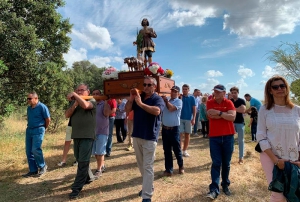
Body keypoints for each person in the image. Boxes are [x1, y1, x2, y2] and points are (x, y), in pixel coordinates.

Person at [257, 75, 300, 202]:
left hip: (294, 159)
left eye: (282, 86)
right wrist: (276, 160)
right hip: (271, 157)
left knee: (294, 192)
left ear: (287, 88)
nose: (279, 89)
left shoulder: (297, 110)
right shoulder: (264, 109)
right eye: (275, 87)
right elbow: (261, 136)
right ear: (270, 90)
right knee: (278, 195)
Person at [125, 76, 165, 202]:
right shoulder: (139, 97)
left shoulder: (157, 99)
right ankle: (149, 186)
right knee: (141, 165)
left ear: (154, 86)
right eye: (144, 84)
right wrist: (131, 100)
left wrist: (140, 104)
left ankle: (146, 196)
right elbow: (127, 110)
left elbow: (157, 111)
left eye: (149, 85)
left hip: (149, 136)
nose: (146, 87)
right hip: (137, 135)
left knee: (148, 166)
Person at [65, 83, 96, 199]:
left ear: (88, 91)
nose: (79, 92)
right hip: (76, 135)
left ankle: (76, 189)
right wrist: (74, 104)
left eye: (81, 90)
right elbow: (67, 115)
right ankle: (89, 177)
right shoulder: (75, 102)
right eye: (77, 90)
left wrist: (75, 96)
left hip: (87, 136)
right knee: (79, 159)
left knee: (82, 163)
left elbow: (86, 106)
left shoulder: (92, 100)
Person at [206, 84, 236, 200]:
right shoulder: (210, 102)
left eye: (218, 92)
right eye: (215, 91)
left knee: (226, 163)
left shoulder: (229, 103)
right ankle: (214, 189)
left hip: (228, 136)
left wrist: (218, 113)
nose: (216, 93)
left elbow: (232, 117)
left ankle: (225, 185)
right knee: (216, 163)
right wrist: (225, 115)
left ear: (224, 93)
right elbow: (210, 115)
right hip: (214, 137)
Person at [22, 92, 50, 177]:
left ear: (36, 98)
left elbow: (48, 119)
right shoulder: (29, 108)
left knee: (35, 149)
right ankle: (33, 170)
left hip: (39, 129)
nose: (28, 100)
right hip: (29, 130)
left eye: (30, 99)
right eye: (27, 99)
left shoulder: (42, 107)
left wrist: (44, 128)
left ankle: (42, 166)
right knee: (28, 150)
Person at [161, 86, 184, 177]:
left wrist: (166, 101)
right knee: (167, 150)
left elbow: (171, 109)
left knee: (176, 149)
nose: (173, 93)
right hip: (165, 128)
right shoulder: (167, 100)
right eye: (172, 91)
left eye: (175, 92)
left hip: (174, 129)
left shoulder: (179, 101)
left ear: (178, 93)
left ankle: (181, 166)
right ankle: (169, 170)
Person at [91, 89, 111, 179]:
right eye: (94, 94)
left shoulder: (104, 104)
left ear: (101, 95)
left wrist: (106, 101)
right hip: (92, 132)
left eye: (97, 94)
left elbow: (107, 113)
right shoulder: (91, 104)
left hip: (102, 131)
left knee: (100, 152)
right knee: (95, 152)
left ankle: (99, 170)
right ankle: (102, 165)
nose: (96, 95)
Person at [230, 87, 246, 164]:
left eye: (235, 92)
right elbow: (227, 110)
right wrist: (237, 109)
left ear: (238, 93)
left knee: (241, 141)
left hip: (240, 123)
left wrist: (233, 109)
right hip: (231, 123)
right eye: (232, 93)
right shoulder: (230, 101)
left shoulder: (241, 100)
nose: (233, 94)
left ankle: (241, 157)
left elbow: (243, 110)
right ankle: (232, 150)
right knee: (230, 139)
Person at [180, 84, 196, 157]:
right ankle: (180, 150)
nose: (184, 90)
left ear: (188, 90)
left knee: (187, 135)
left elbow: (194, 109)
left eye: (186, 89)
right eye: (183, 89)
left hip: (189, 118)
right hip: (180, 118)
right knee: (180, 135)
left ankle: (185, 150)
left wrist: (194, 118)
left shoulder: (192, 98)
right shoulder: (180, 97)